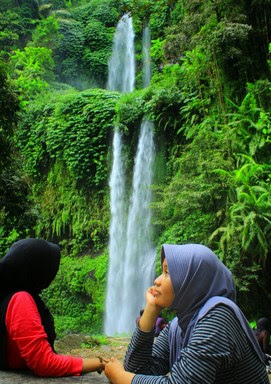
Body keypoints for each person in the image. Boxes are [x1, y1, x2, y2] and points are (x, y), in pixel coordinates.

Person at [104, 244, 269, 384]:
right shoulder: (178, 325)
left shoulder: (218, 317)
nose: (157, 280)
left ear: (192, 281)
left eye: (167, 272)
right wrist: (152, 309)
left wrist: (122, 378)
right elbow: (139, 369)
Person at [0, 238, 107, 377]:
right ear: (36, 270)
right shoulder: (21, 300)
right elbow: (44, 363)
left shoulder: (8, 294)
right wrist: (99, 363)